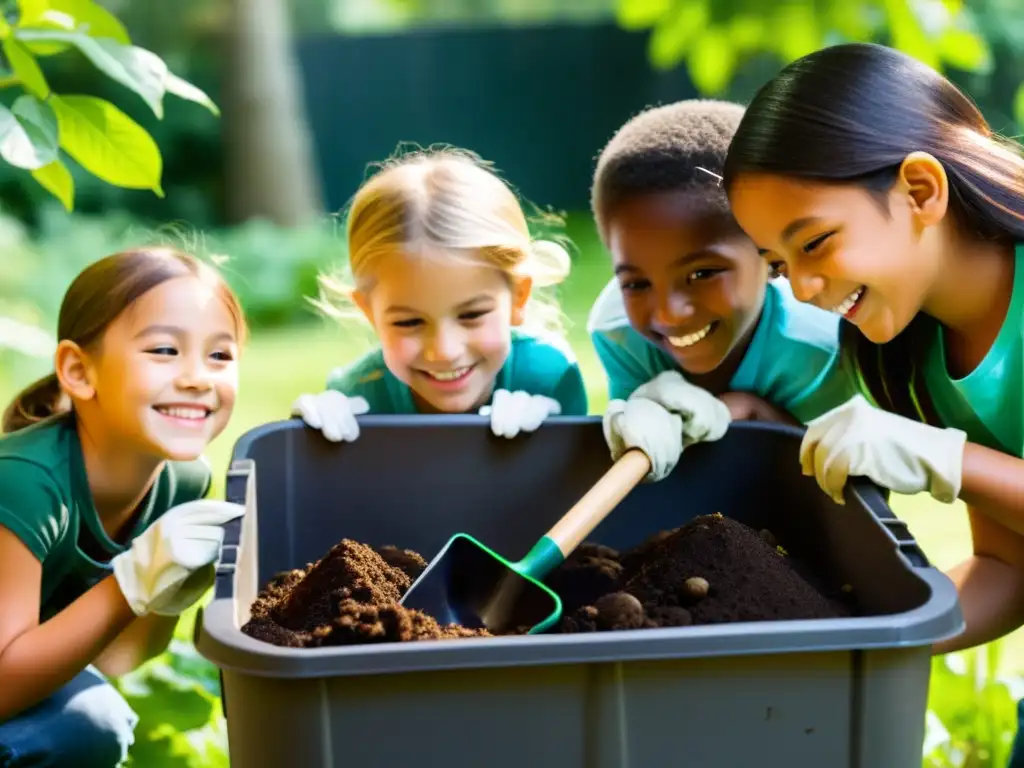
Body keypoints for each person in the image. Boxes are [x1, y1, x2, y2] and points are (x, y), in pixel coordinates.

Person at [723, 40, 1024, 667]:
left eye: (816, 243)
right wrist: (849, 650)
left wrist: (946, 459)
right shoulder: (920, 359)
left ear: (919, 190)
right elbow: (1007, 567)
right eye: (779, 265)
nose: (802, 288)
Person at [0, 248, 247, 767]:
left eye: (220, 355)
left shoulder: (184, 478)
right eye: (164, 350)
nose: (198, 377)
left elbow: (119, 656)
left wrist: (166, 595)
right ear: (78, 369)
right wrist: (128, 585)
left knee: (92, 724)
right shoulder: (26, 483)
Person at [589, 99, 860, 481]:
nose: (668, 313)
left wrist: (753, 412)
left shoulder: (820, 349)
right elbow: (648, 476)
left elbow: (849, 493)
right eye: (636, 283)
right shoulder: (618, 333)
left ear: (770, 256)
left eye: (702, 274)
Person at [292, 147, 588, 441]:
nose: (444, 351)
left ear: (518, 297)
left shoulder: (549, 377)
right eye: (409, 322)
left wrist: (550, 439)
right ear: (369, 311)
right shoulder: (357, 396)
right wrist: (306, 443)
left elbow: (584, 481)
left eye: (471, 315)